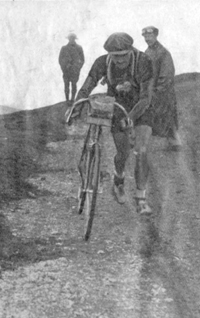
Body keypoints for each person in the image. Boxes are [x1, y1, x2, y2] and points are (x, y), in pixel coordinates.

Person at [67, 32, 154, 214]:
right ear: (109, 54)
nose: (120, 61)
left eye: (123, 56)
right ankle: (118, 178)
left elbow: (146, 97)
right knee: (123, 153)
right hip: (118, 107)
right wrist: (76, 106)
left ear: (130, 50)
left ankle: (141, 197)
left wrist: (131, 117)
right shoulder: (102, 62)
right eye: (115, 57)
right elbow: (87, 86)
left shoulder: (143, 62)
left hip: (141, 109)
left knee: (141, 151)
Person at [142, 26, 181, 151]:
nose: (147, 39)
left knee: (168, 115)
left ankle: (174, 141)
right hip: (151, 90)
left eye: (150, 36)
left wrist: (159, 89)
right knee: (147, 115)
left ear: (155, 36)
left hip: (164, 91)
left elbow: (167, 73)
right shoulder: (146, 53)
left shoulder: (163, 52)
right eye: (145, 36)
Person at [58, 31, 85, 104]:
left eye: (73, 38)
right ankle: (67, 100)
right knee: (66, 85)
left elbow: (82, 60)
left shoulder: (79, 48)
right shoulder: (64, 48)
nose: (71, 40)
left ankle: (73, 99)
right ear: (68, 39)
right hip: (66, 70)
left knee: (74, 85)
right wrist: (65, 66)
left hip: (75, 70)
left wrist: (77, 68)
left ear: (75, 39)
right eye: (70, 38)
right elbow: (60, 60)